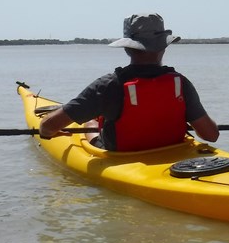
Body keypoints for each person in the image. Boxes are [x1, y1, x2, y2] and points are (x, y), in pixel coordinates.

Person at [39, 13, 219, 150]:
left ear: (127, 48)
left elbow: (48, 127)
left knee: (91, 122)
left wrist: (46, 131)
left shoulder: (107, 86)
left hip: (122, 155)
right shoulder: (180, 83)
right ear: (164, 47)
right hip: (172, 151)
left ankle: (93, 123)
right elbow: (211, 135)